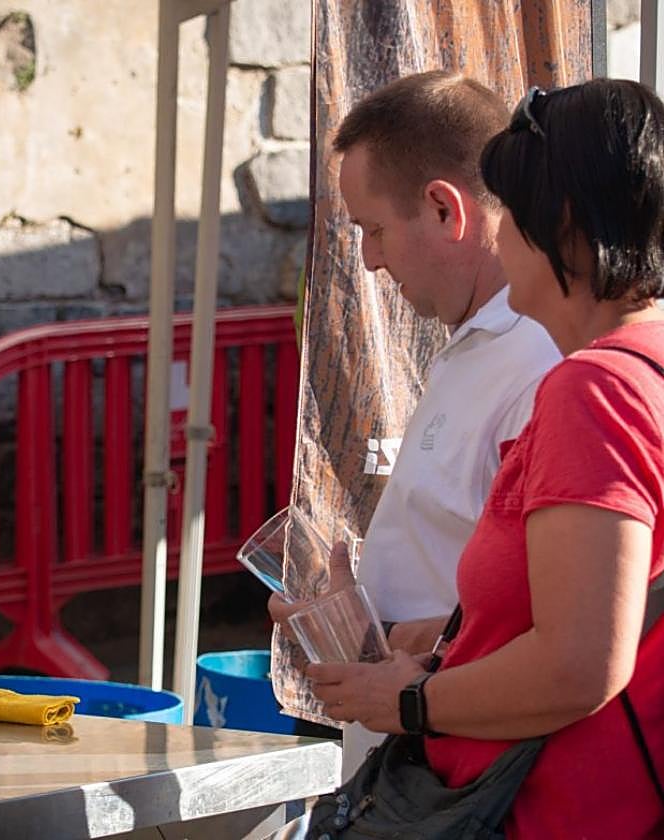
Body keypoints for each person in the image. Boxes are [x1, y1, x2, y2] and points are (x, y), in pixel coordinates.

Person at [308, 77, 664, 837]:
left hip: (544, 808)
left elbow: (581, 662)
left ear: (558, 230)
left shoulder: (591, 383)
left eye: (510, 217)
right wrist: (426, 646)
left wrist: (409, 701)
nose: (497, 238)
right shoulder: (634, 362)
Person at [269, 71, 560, 778]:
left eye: (374, 229)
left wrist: (379, 637)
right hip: (425, 759)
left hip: (478, 776)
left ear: (442, 208)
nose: (368, 259)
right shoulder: (477, 344)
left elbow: (544, 621)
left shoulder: (541, 361)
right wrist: (357, 618)